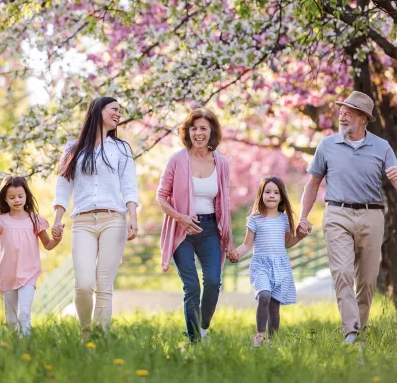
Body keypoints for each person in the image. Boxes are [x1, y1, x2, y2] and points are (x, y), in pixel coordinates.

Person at [298, 91, 397, 344]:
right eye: (340, 112)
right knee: (342, 271)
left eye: (348, 113)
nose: (341, 116)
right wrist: (303, 216)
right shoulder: (327, 145)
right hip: (337, 213)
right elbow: (313, 183)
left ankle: (359, 330)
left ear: (362, 118)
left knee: (367, 279)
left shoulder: (381, 147)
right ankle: (350, 332)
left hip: (371, 214)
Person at [53, 97, 139, 341]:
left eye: (120, 111)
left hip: (114, 220)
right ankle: (85, 331)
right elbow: (63, 184)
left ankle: (99, 337)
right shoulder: (73, 148)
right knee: (83, 284)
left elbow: (129, 185)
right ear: (98, 110)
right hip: (82, 222)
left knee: (104, 284)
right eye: (114, 109)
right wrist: (57, 218)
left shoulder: (122, 148)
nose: (118, 113)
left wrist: (133, 217)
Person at [156, 108, 237, 343]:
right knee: (191, 286)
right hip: (182, 231)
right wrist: (180, 217)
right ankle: (194, 342)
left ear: (211, 132)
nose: (198, 133)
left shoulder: (221, 163)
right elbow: (161, 197)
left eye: (203, 128)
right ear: (187, 132)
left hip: (210, 228)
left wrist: (228, 239)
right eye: (194, 128)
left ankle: (203, 328)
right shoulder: (176, 160)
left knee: (213, 281)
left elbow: (225, 202)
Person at [0, 175, 62, 337]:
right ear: (5, 199)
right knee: (11, 320)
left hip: (29, 274)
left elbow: (48, 245)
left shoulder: (35, 220)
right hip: (7, 275)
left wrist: (57, 239)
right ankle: (12, 347)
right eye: (12, 197)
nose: (17, 200)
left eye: (20, 196)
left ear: (26, 196)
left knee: (23, 314)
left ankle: (25, 346)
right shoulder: (0, 220)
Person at [230, 176, 302, 347]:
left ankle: (272, 341)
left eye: (276, 192)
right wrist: (236, 253)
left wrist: (299, 236)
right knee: (264, 296)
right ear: (261, 195)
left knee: (275, 305)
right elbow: (247, 244)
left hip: (280, 265)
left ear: (282, 196)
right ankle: (260, 335)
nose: (272, 195)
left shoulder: (284, 219)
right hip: (261, 265)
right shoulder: (255, 219)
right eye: (268, 192)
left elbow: (287, 243)